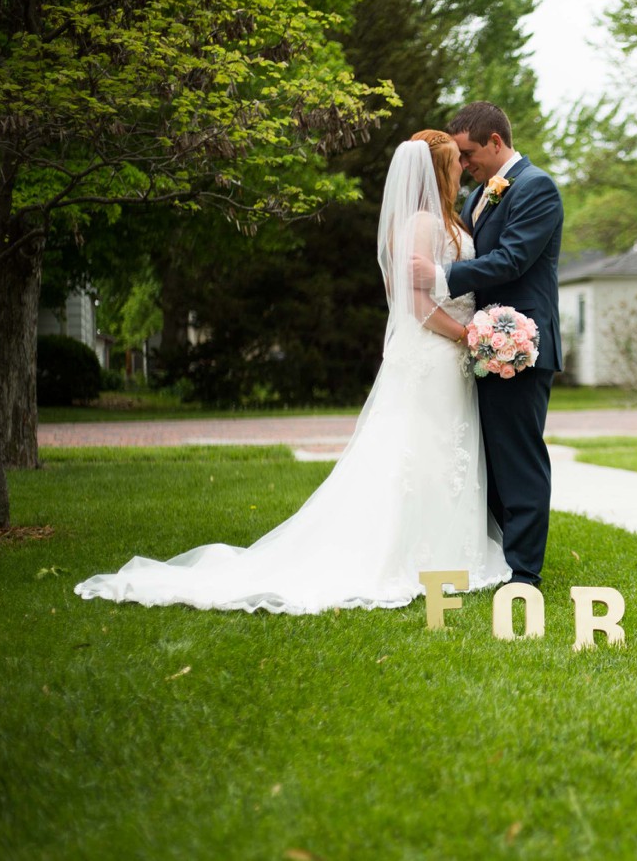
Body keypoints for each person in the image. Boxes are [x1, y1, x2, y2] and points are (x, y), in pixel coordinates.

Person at [74, 132, 510, 614]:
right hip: (433, 352)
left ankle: (450, 551)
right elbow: (417, 305)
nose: (458, 172)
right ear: (433, 172)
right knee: (419, 453)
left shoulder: (445, 219)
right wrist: (467, 336)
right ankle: (413, 555)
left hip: (445, 360)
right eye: (451, 165)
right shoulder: (424, 224)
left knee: (441, 452)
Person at [434, 101, 563, 588]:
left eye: (468, 154)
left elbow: (511, 260)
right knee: (488, 455)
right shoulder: (481, 195)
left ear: (495, 141)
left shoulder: (536, 188)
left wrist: (441, 276)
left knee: (519, 457)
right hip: (483, 345)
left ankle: (525, 573)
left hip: (519, 345)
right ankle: (501, 556)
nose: (463, 164)